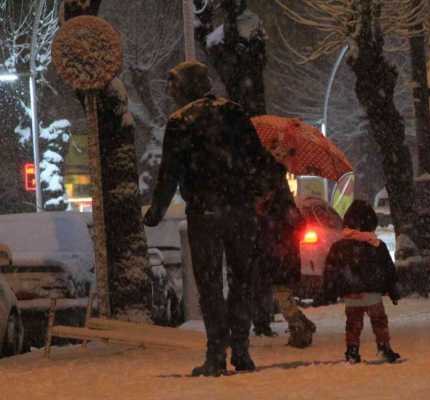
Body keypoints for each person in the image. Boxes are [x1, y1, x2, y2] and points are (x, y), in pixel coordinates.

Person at [143, 61, 278, 377]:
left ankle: (216, 354)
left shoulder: (180, 123)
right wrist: (257, 193)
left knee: (210, 285)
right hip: (241, 211)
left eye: (175, 86)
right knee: (242, 280)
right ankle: (242, 352)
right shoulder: (234, 113)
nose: (172, 93)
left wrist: (156, 211)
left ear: (188, 87)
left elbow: (170, 173)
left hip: (205, 213)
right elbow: (257, 159)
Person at [323, 200, 401, 363]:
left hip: (351, 293)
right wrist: (393, 291)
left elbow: (331, 271)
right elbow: (388, 271)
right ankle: (384, 347)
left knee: (353, 323)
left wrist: (330, 291)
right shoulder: (376, 245)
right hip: (372, 293)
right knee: (379, 321)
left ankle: (352, 350)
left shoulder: (339, 247)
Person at [251, 166, 316, 348]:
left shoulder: (276, 208)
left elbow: (288, 228)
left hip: (280, 257)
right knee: (283, 295)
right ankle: (302, 324)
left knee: (282, 296)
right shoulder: (283, 204)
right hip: (283, 256)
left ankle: (299, 329)